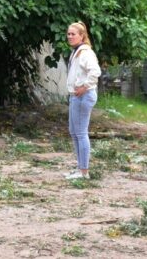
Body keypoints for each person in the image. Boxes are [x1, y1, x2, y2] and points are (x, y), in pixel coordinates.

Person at [65, 21, 101, 181]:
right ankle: (80, 168)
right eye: (69, 34)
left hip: (83, 96)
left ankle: (84, 172)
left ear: (82, 35)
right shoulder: (77, 52)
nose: (70, 36)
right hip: (76, 96)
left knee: (80, 133)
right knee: (74, 132)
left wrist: (84, 87)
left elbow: (95, 72)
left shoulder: (86, 52)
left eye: (73, 34)